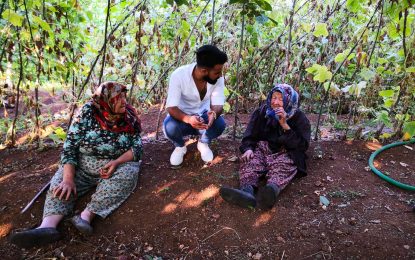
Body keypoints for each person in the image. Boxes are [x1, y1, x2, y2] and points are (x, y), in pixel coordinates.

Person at [10, 82, 143, 248]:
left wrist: (116, 162)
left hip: (116, 165)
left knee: (129, 171)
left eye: (124, 97)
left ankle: (86, 216)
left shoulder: (129, 115)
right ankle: (47, 227)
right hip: (82, 165)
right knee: (60, 185)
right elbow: (70, 146)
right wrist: (68, 178)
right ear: (105, 100)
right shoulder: (87, 112)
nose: (124, 101)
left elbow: (137, 148)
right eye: (118, 98)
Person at [220, 84, 311, 209]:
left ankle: (271, 192)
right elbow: (250, 133)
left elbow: (302, 146)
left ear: (288, 100)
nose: (276, 102)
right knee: (250, 161)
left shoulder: (300, 118)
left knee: (283, 166)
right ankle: (247, 192)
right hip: (263, 149)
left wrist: (284, 124)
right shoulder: (262, 112)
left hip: (285, 152)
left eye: (280, 99)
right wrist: (248, 149)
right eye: (274, 97)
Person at [163, 45, 228, 166]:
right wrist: (188, 119)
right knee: (169, 127)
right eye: (217, 72)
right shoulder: (179, 75)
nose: (220, 75)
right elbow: (171, 107)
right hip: (181, 118)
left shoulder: (218, 79)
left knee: (220, 124)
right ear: (204, 71)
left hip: (203, 118)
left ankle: (203, 142)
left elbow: (218, 105)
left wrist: (213, 114)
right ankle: (180, 147)